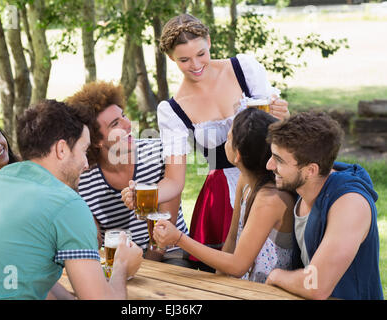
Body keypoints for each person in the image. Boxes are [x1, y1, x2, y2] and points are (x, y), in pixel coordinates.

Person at [122, 13, 290, 271]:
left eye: (201, 53)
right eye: (184, 60)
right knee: (226, 274)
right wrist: (147, 194)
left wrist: (284, 116)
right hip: (222, 195)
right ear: (171, 58)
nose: (196, 64)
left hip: (272, 179)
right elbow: (175, 181)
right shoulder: (173, 110)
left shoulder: (243, 69)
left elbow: (281, 132)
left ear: (209, 41)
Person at [0, 100, 143, 300]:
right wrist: (121, 266)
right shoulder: (67, 203)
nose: (86, 163)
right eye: (83, 150)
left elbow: (29, 272)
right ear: (62, 150)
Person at [153, 107, 295, 282]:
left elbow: (237, 266)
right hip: (244, 286)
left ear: (238, 156)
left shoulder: (270, 200)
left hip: (268, 292)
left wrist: (178, 238)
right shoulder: (246, 181)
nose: (224, 142)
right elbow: (231, 240)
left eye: (228, 138)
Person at [65, 81, 191, 267]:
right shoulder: (84, 179)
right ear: (97, 140)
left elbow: (164, 232)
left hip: (170, 254)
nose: (128, 125)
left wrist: (144, 265)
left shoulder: (158, 154)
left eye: (123, 116)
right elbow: (94, 242)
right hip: (119, 260)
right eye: (116, 124)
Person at [264, 111, 384, 300]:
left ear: (311, 170)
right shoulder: (305, 183)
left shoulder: (350, 204)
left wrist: (276, 275)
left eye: (278, 160)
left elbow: (316, 285)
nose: (269, 165)